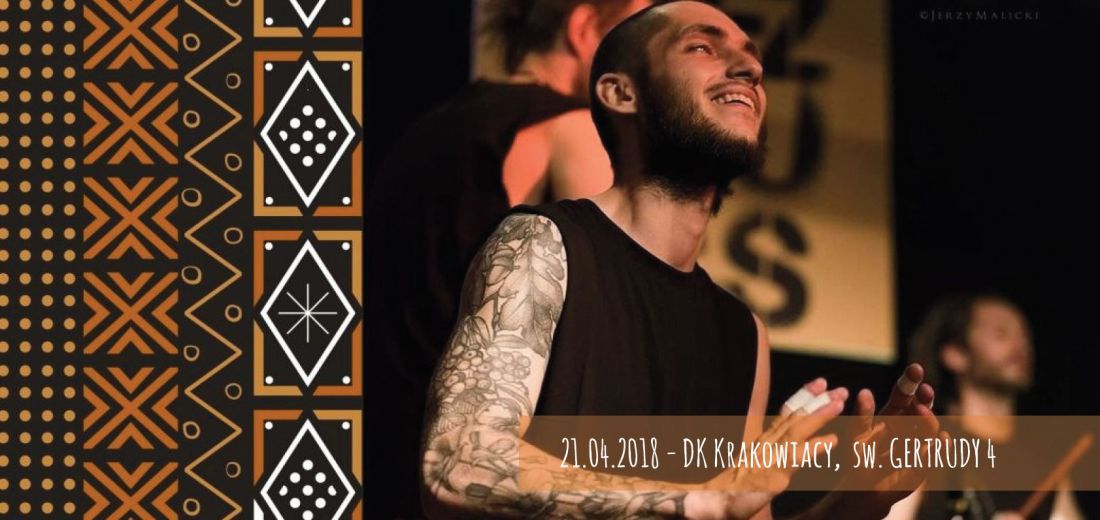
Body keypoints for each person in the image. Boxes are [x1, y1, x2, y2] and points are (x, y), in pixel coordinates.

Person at [420, 2, 939, 517]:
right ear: (622, 93)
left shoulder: (743, 333)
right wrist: (705, 499)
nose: (750, 69)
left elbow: (733, 511)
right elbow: (458, 466)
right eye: (702, 47)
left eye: (752, 58)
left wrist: (856, 503)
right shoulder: (541, 244)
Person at [366, 1, 650, 516]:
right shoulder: (572, 129)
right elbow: (614, 334)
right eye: (643, 32)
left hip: (380, 458)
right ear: (585, 29)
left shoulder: (431, 129)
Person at [886, 294, 1084, 520]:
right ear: (955, 355)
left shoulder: (1047, 462)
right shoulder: (924, 444)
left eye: (1024, 337)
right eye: (1001, 334)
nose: (1020, 346)